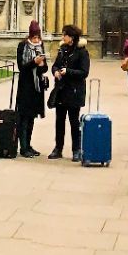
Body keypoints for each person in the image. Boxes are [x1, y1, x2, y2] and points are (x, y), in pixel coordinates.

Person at [47, 23, 90, 161]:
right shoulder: (62, 50)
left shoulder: (82, 52)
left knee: (74, 122)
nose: (62, 37)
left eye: (64, 34)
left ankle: (76, 150)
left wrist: (68, 72)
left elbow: (84, 72)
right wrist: (55, 72)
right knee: (59, 121)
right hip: (61, 90)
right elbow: (55, 65)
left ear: (71, 37)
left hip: (74, 91)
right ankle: (58, 148)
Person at [14, 20, 50, 158]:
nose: (36, 40)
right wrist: (33, 63)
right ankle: (23, 147)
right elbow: (21, 67)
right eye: (34, 37)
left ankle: (28, 145)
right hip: (25, 86)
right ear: (29, 36)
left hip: (37, 87)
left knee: (32, 118)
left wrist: (41, 66)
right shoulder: (22, 46)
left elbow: (45, 68)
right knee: (23, 117)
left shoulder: (41, 46)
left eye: (38, 37)